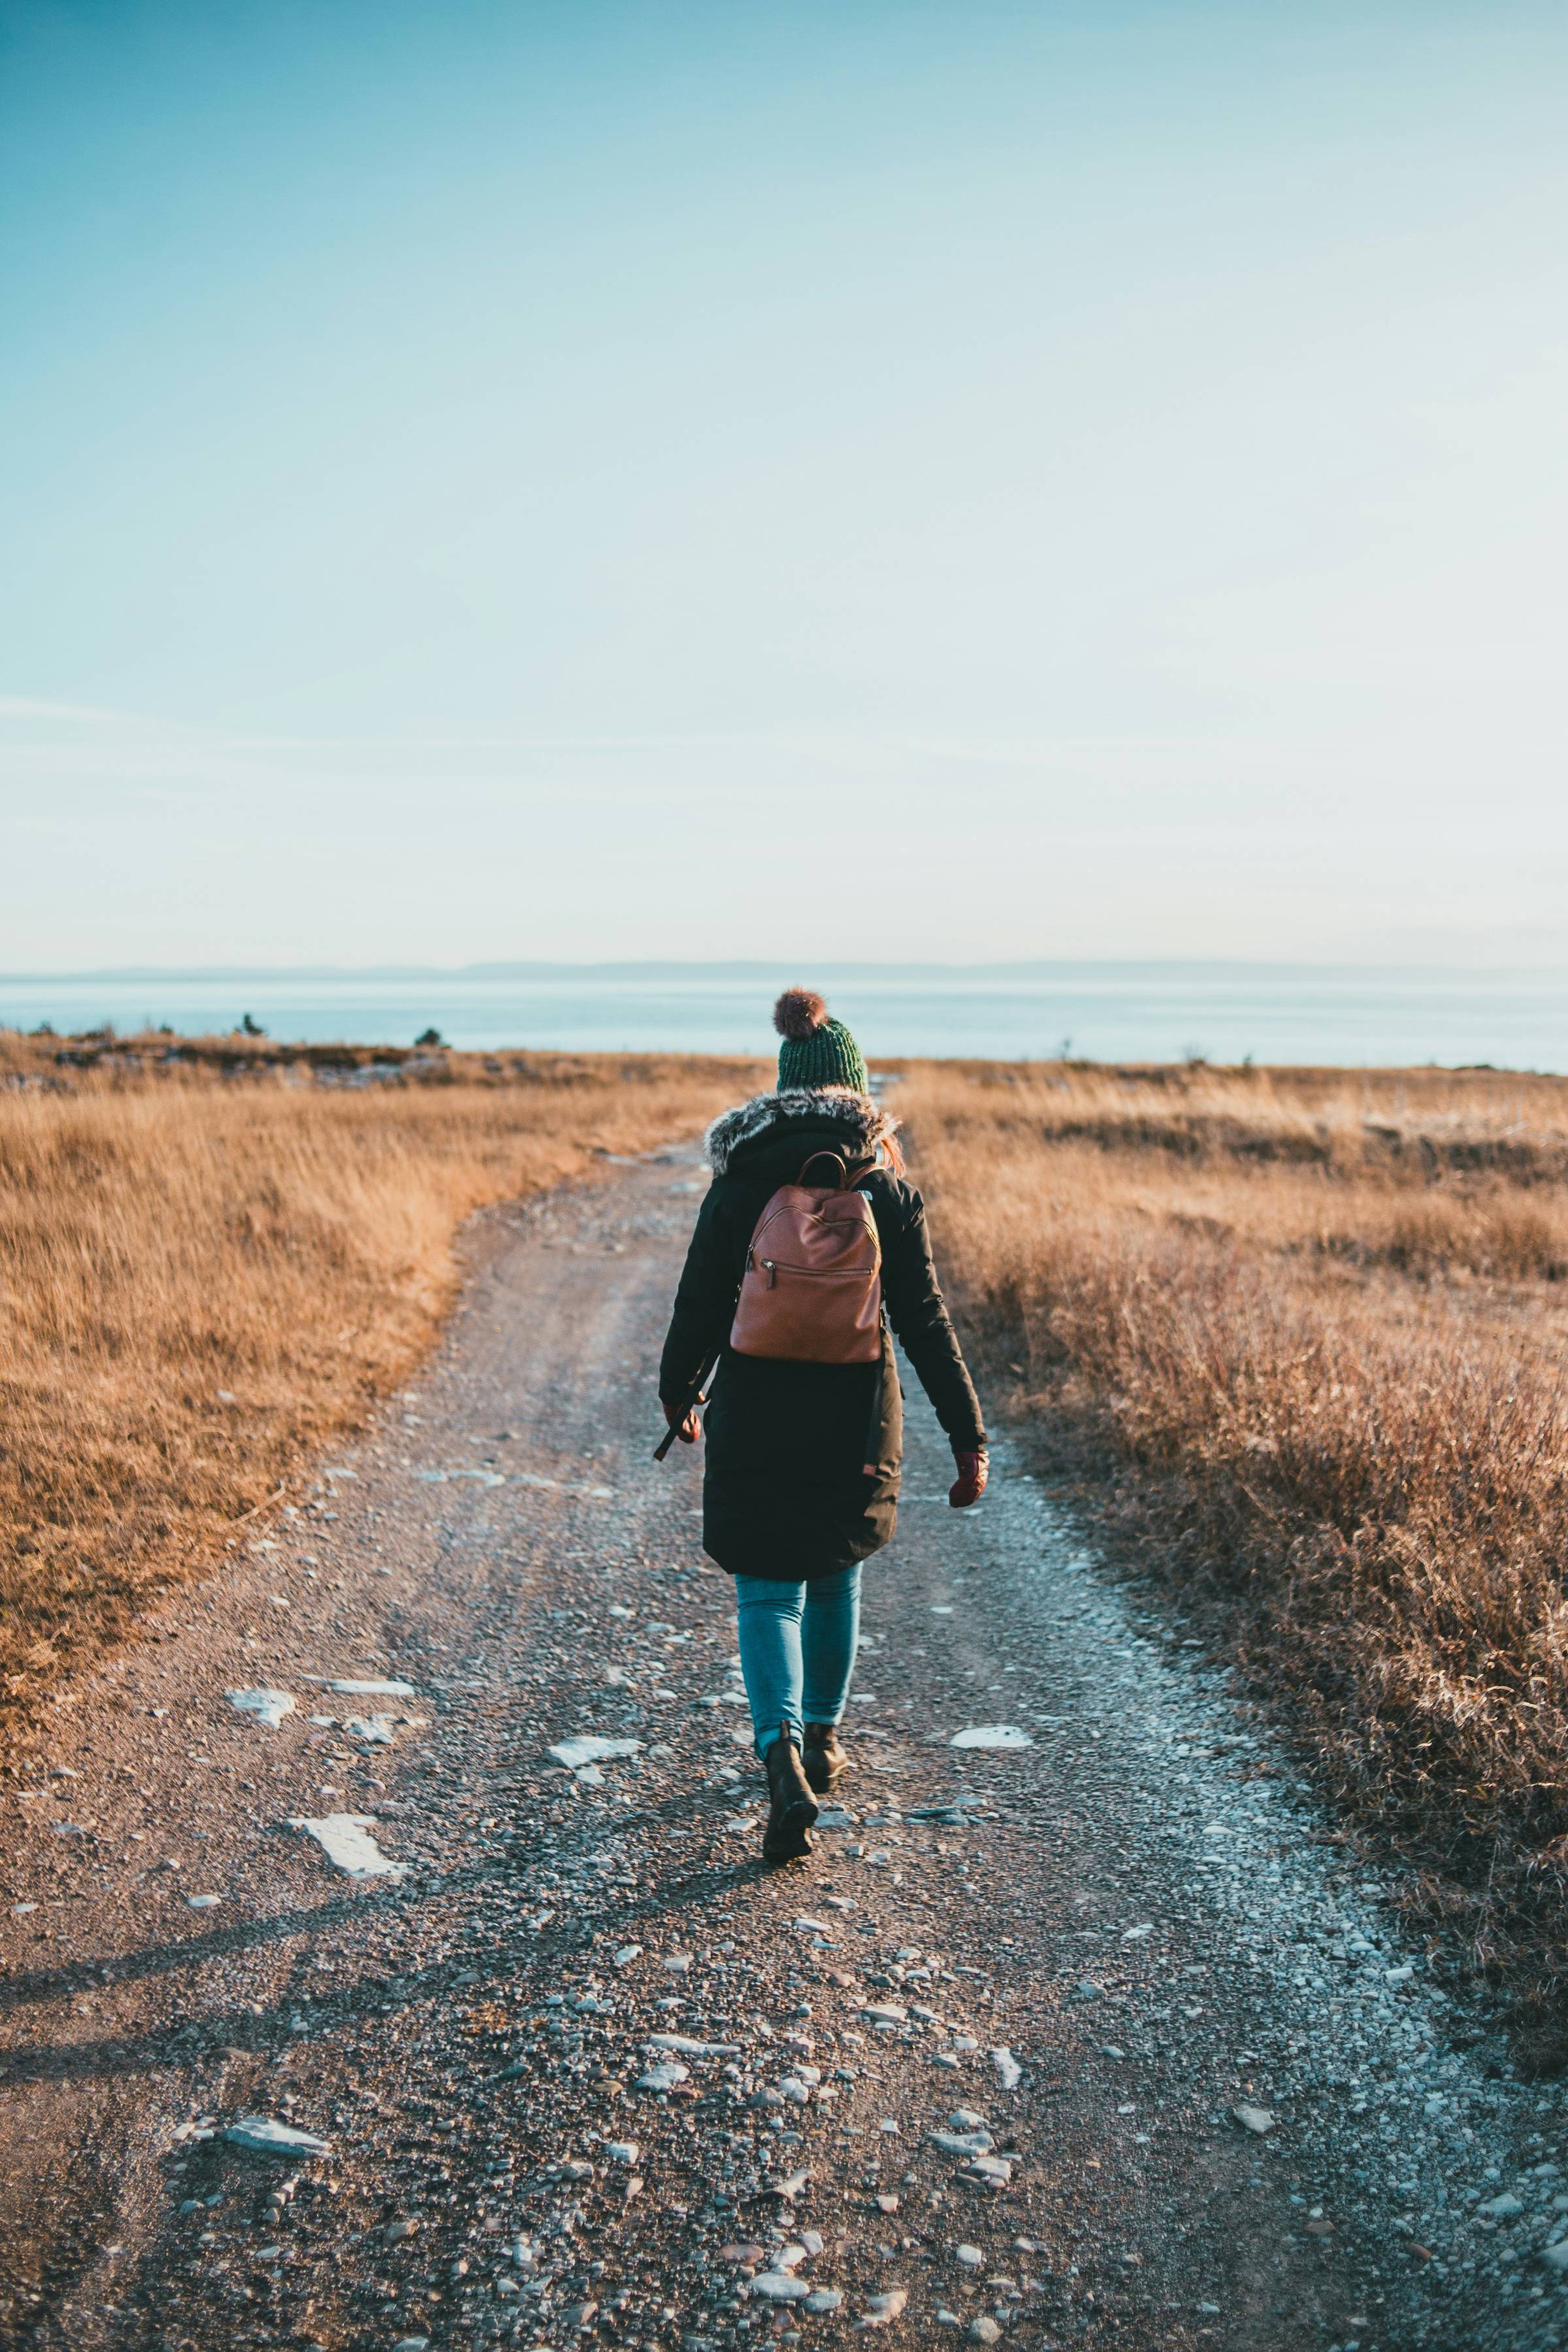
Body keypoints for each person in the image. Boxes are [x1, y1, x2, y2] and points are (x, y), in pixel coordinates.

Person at [658, 988, 988, 1865]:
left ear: (782, 1086)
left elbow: (699, 1304)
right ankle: (822, 1740)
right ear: (856, 1086)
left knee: (767, 1589)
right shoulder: (885, 1187)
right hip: (855, 1410)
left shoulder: (741, 1182)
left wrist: (677, 1394)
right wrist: (969, 1438)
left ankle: (777, 1760)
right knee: (835, 1576)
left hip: (758, 1404)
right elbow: (925, 1320)